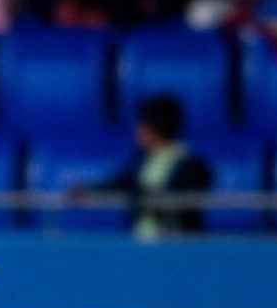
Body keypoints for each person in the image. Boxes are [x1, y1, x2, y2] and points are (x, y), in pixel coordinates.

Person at [84, 94, 213, 238]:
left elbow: (184, 202)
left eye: (141, 125)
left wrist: (142, 194)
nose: (137, 131)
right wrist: (88, 190)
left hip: (176, 246)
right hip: (141, 243)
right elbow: (121, 183)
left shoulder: (192, 164)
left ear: (156, 127)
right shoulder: (140, 160)